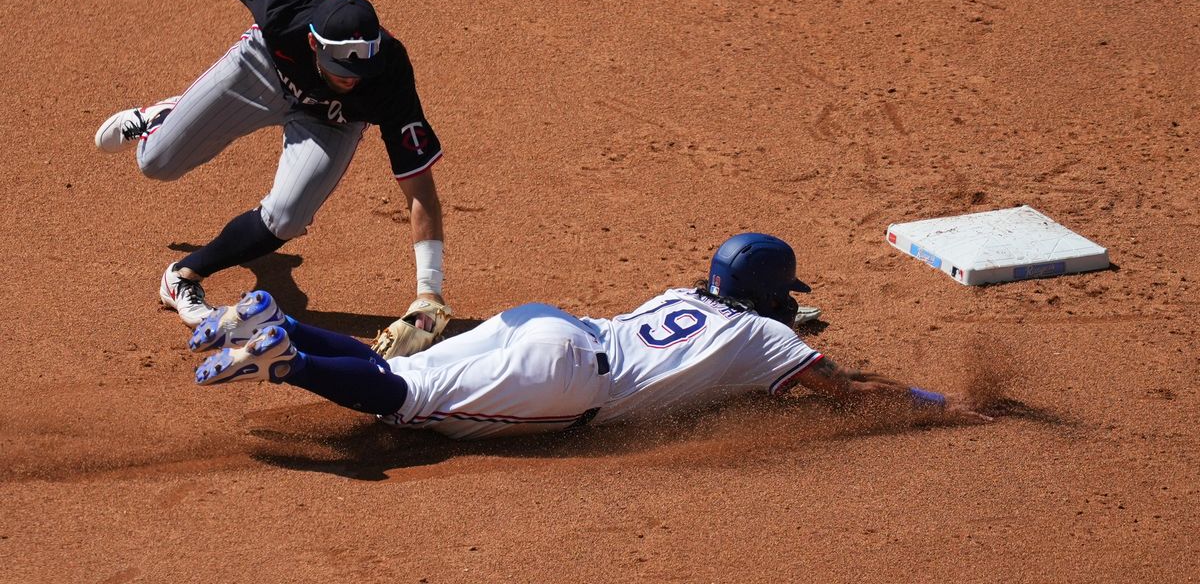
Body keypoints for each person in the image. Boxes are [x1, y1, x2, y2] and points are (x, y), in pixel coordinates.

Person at [95, 0, 448, 336]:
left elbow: (419, 189)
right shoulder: (284, 10)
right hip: (263, 71)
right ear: (315, 44)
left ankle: (183, 277)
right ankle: (164, 117)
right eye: (342, 71)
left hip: (330, 121)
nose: (352, 80)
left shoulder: (390, 75)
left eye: (360, 72)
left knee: (287, 218)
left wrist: (429, 292)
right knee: (155, 163)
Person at [188, 233, 991, 438]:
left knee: (399, 370)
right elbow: (847, 392)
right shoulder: (772, 345)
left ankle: (277, 321)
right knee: (401, 402)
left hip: (549, 322)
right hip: (568, 380)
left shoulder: (687, 295)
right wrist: (939, 406)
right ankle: (286, 359)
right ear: (772, 298)